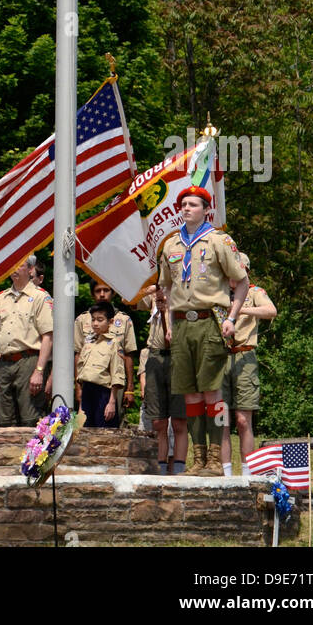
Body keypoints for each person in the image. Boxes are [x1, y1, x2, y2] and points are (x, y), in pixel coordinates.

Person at [157, 185, 248, 477]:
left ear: (206, 209)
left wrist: (232, 317)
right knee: (190, 395)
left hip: (210, 320)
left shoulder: (219, 241)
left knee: (212, 393)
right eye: (183, 204)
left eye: (193, 204)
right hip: (182, 323)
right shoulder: (170, 245)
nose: (186, 209)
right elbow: (165, 288)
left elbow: (241, 281)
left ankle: (214, 460)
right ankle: (197, 460)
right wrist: (169, 324)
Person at [220, 254, 276, 475]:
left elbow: (271, 311)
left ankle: (247, 473)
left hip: (244, 356)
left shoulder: (253, 292)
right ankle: (224, 473)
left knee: (243, 419)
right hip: (220, 357)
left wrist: (240, 310)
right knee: (220, 419)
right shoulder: (219, 292)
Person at [0, 253, 53, 427]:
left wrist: (39, 371)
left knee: (30, 419)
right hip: (4, 362)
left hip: (29, 360)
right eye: (11, 265)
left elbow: (47, 336)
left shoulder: (41, 297)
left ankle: (33, 455)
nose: (14, 269)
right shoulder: (0, 298)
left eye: (19, 265)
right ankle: (7, 454)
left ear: (30, 269)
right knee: (4, 421)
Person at [141, 290, 188, 473]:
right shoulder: (154, 293)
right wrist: (151, 289)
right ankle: (160, 466)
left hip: (178, 355)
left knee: (178, 420)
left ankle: (178, 466)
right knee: (158, 421)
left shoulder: (182, 291)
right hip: (155, 355)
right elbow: (128, 298)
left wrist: (167, 307)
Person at [74, 280, 137, 416]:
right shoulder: (83, 319)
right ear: (92, 294)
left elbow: (129, 354)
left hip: (114, 382)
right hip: (89, 381)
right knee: (85, 423)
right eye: (98, 291)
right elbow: (78, 354)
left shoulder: (124, 320)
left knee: (113, 421)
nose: (102, 294)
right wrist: (78, 388)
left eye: (106, 290)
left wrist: (130, 388)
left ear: (113, 293)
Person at [77, 303, 125, 427]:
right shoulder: (89, 342)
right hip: (87, 390)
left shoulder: (113, 343)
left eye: (100, 320)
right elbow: (82, 371)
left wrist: (112, 402)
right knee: (85, 430)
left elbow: (116, 373)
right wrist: (81, 403)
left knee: (104, 431)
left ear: (110, 321)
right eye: (93, 319)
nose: (95, 324)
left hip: (104, 393)